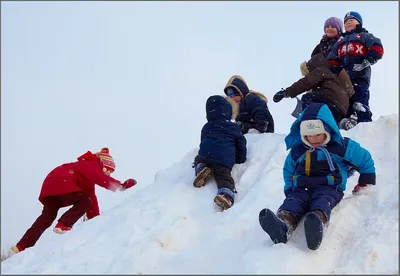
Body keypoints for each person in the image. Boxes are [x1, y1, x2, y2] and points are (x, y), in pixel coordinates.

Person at [258, 103, 376, 250]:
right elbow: (288, 169)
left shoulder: (341, 146)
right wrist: (290, 189)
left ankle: (317, 224)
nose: (313, 139)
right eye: (309, 135)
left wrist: (366, 181)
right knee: (293, 202)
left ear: (328, 129)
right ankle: (283, 225)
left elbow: (364, 158)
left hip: (330, 186)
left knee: (322, 201)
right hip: (302, 186)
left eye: (318, 134)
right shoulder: (298, 150)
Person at [10, 148, 137, 255]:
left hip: (51, 187)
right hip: (62, 180)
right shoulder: (90, 164)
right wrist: (120, 186)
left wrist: (96, 221)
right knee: (84, 200)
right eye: (108, 170)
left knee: (47, 217)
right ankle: (63, 224)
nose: (108, 174)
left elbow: (92, 199)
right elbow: (99, 178)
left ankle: (22, 246)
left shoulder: (87, 177)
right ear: (102, 164)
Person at [328, 11, 384, 128]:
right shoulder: (340, 41)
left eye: (351, 21)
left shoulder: (363, 36)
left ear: (359, 23)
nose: (348, 23)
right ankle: (349, 127)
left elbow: (377, 46)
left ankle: (364, 127)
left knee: (360, 102)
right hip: (343, 79)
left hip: (360, 75)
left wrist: (368, 60)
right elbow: (332, 57)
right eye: (346, 22)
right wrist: (335, 69)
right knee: (345, 103)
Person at [192, 95, 247, 210]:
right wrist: (240, 158)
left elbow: (202, 141)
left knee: (198, 159)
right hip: (223, 158)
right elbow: (241, 143)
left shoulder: (206, 126)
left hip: (206, 154)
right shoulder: (233, 127)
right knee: (224, 177)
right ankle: (226, 195)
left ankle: (201, 168)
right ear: (227, 111)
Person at [273, 53, 351, 125]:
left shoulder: (320, 70)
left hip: (331, 103)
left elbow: (305, 83)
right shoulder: (329, 75)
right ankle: (339, 123)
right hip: (339, 109)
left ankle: (310, 120)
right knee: (314, 100)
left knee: (307, 98)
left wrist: (287, 92)